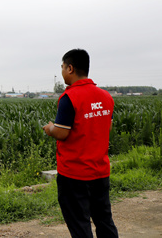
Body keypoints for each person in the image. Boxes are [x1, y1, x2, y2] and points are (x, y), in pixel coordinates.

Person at [43, 49, 119, 238]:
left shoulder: (70, 97)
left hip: (74, 174)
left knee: (80, 225)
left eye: (62, 67)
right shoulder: (105, 96)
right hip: (100, 171)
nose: (62, 72)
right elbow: (107, 127)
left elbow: (62, 132)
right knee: (104, 220)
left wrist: (50, 128)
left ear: (70, 68)